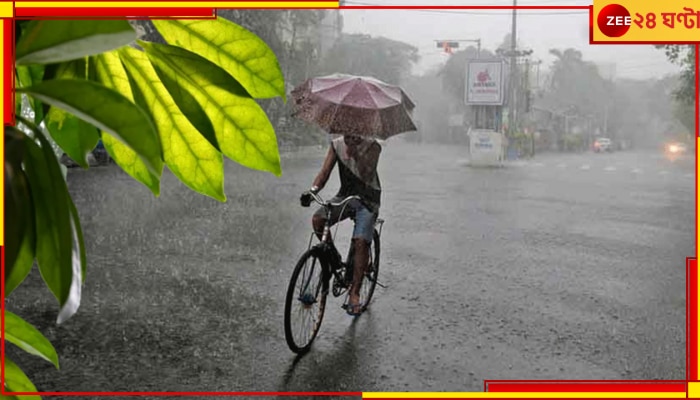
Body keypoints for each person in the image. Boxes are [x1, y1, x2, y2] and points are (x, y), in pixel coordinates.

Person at [300, 134, 382, 316]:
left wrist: (355, 152)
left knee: (361, 241)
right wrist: (312, 191)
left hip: (368, 199)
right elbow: (324, 172)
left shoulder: (373, 146)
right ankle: (334, 259)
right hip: (345, 196)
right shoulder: (336, 144)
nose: (348, 134)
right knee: (318, 219)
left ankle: (355, 293)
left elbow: (367, 174)